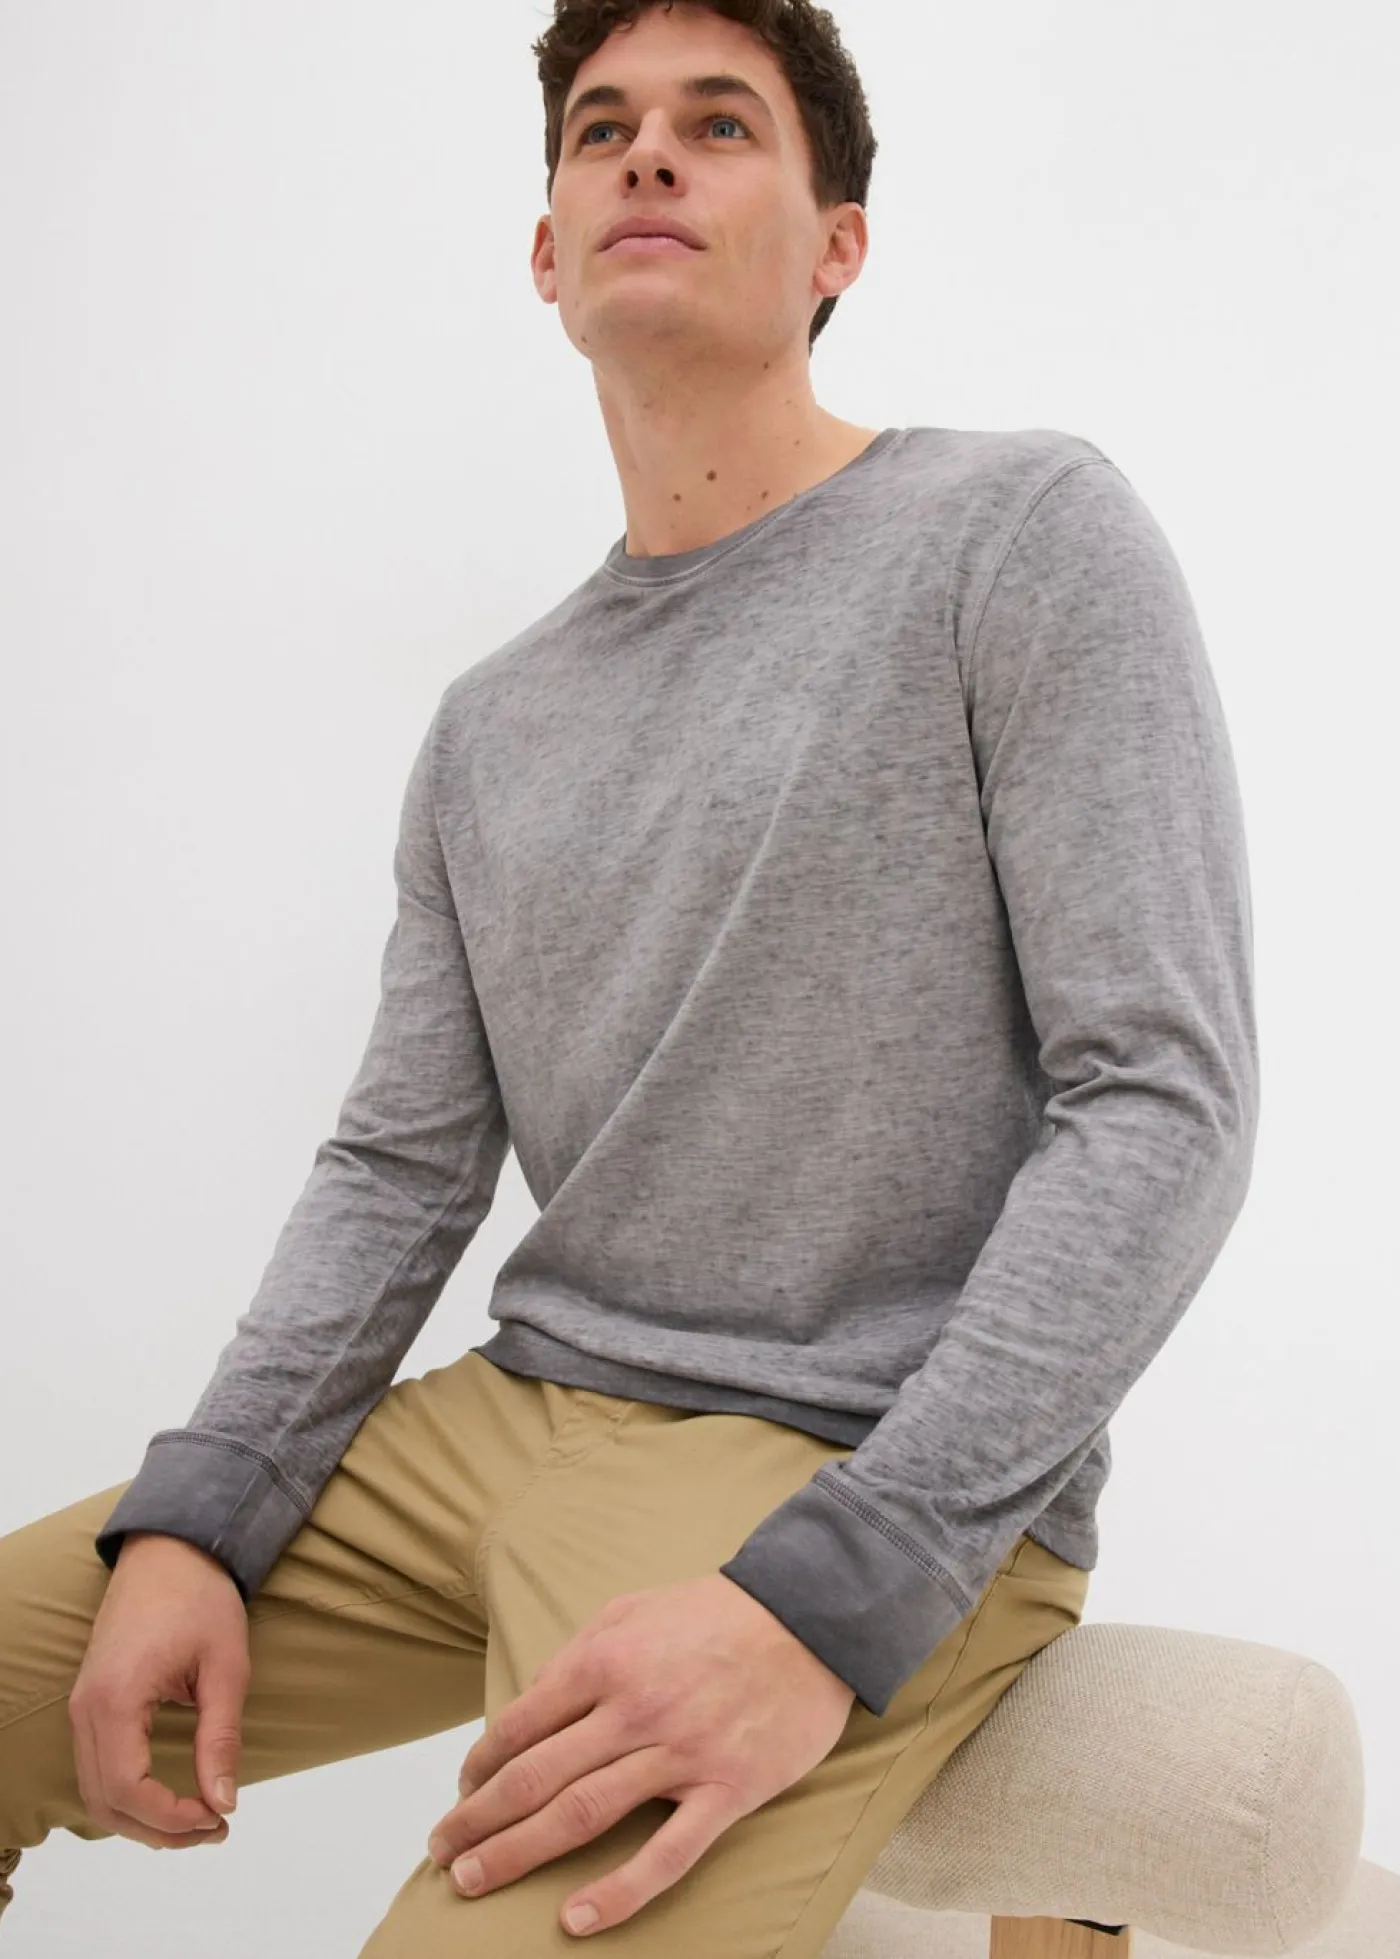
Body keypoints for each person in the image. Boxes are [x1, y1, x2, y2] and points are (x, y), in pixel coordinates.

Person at [0, 1, 1259, 1952]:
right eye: (602, 130)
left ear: (839, 242)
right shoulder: (488, 725)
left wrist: (834, 1589)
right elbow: (396, 1173)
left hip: (843, 1448)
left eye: (720, 124)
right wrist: (203, 1509)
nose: (648, 154)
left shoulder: (1017, 536)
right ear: (547, 251)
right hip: (509, 1416)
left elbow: (1161, 1105)